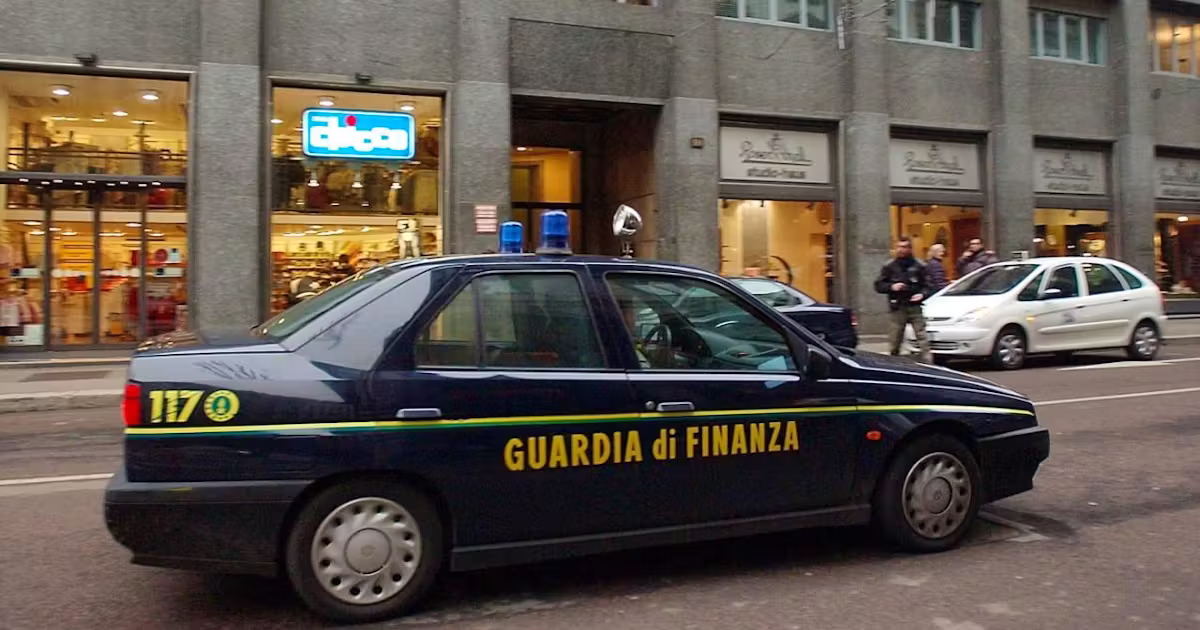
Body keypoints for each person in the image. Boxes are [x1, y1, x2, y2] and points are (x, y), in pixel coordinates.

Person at [874, 238, 932, 362]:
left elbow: (929, 286)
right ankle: (893, 363)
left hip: (914, 305)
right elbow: (879, 285)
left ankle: (928, 362)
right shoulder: (890, 266)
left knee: (922, 336)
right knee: (895, 338)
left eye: (904, 247)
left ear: (910, 249)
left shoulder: (919, 266)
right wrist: (892, 287)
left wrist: (922, 295)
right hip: (898, 306)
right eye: (899, 247)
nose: (901, 250)